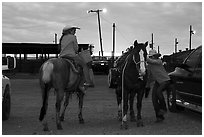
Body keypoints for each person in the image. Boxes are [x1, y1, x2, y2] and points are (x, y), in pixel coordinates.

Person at [146, 49, 171, 122]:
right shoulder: (150, 65)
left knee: (158, 92)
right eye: (153, 56)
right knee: (154, 99)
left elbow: (151, 61)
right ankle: (159, 116)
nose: (154, 57)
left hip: (165, 80)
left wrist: (144, 56)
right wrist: (147, 85)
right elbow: (150, 76)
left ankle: (163, 108)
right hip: (158, 82)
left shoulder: (159, 61)